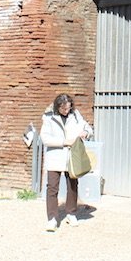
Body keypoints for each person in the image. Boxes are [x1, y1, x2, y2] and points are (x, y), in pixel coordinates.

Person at [39, 93, 93, 232]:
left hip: (72, 156)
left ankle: (71, 213)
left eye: (68, 108)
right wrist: (63, 142)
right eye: (64, 109)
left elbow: (87, 128)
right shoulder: (48, 117)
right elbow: (45, 138)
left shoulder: (75, 115)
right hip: (55, 156)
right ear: (58, 107)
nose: (66, 111)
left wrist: (85, 133)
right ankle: (52, 218)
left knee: (73, 185)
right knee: (52, 187)